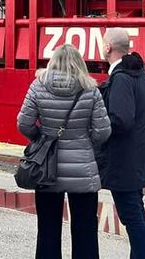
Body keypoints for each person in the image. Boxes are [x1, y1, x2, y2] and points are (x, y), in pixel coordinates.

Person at [17, 44, 112, 259]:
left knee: (48, 229)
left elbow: (24, 123)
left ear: (53, 61)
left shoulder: (38, 86)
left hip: (46, 169)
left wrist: (41, 138)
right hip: (82, 168)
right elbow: (103, 131)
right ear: (79, 63)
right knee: (85, 230)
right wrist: (86, 143)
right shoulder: (90, 89)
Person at [97, 28, 145, 259]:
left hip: (124, 162)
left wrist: (97, 125)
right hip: (137, 156)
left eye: (103, 43)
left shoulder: (120, 78)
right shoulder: (140, 74)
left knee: (131, 216)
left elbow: (120, 120)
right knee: (136, 214)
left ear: (108, 47)